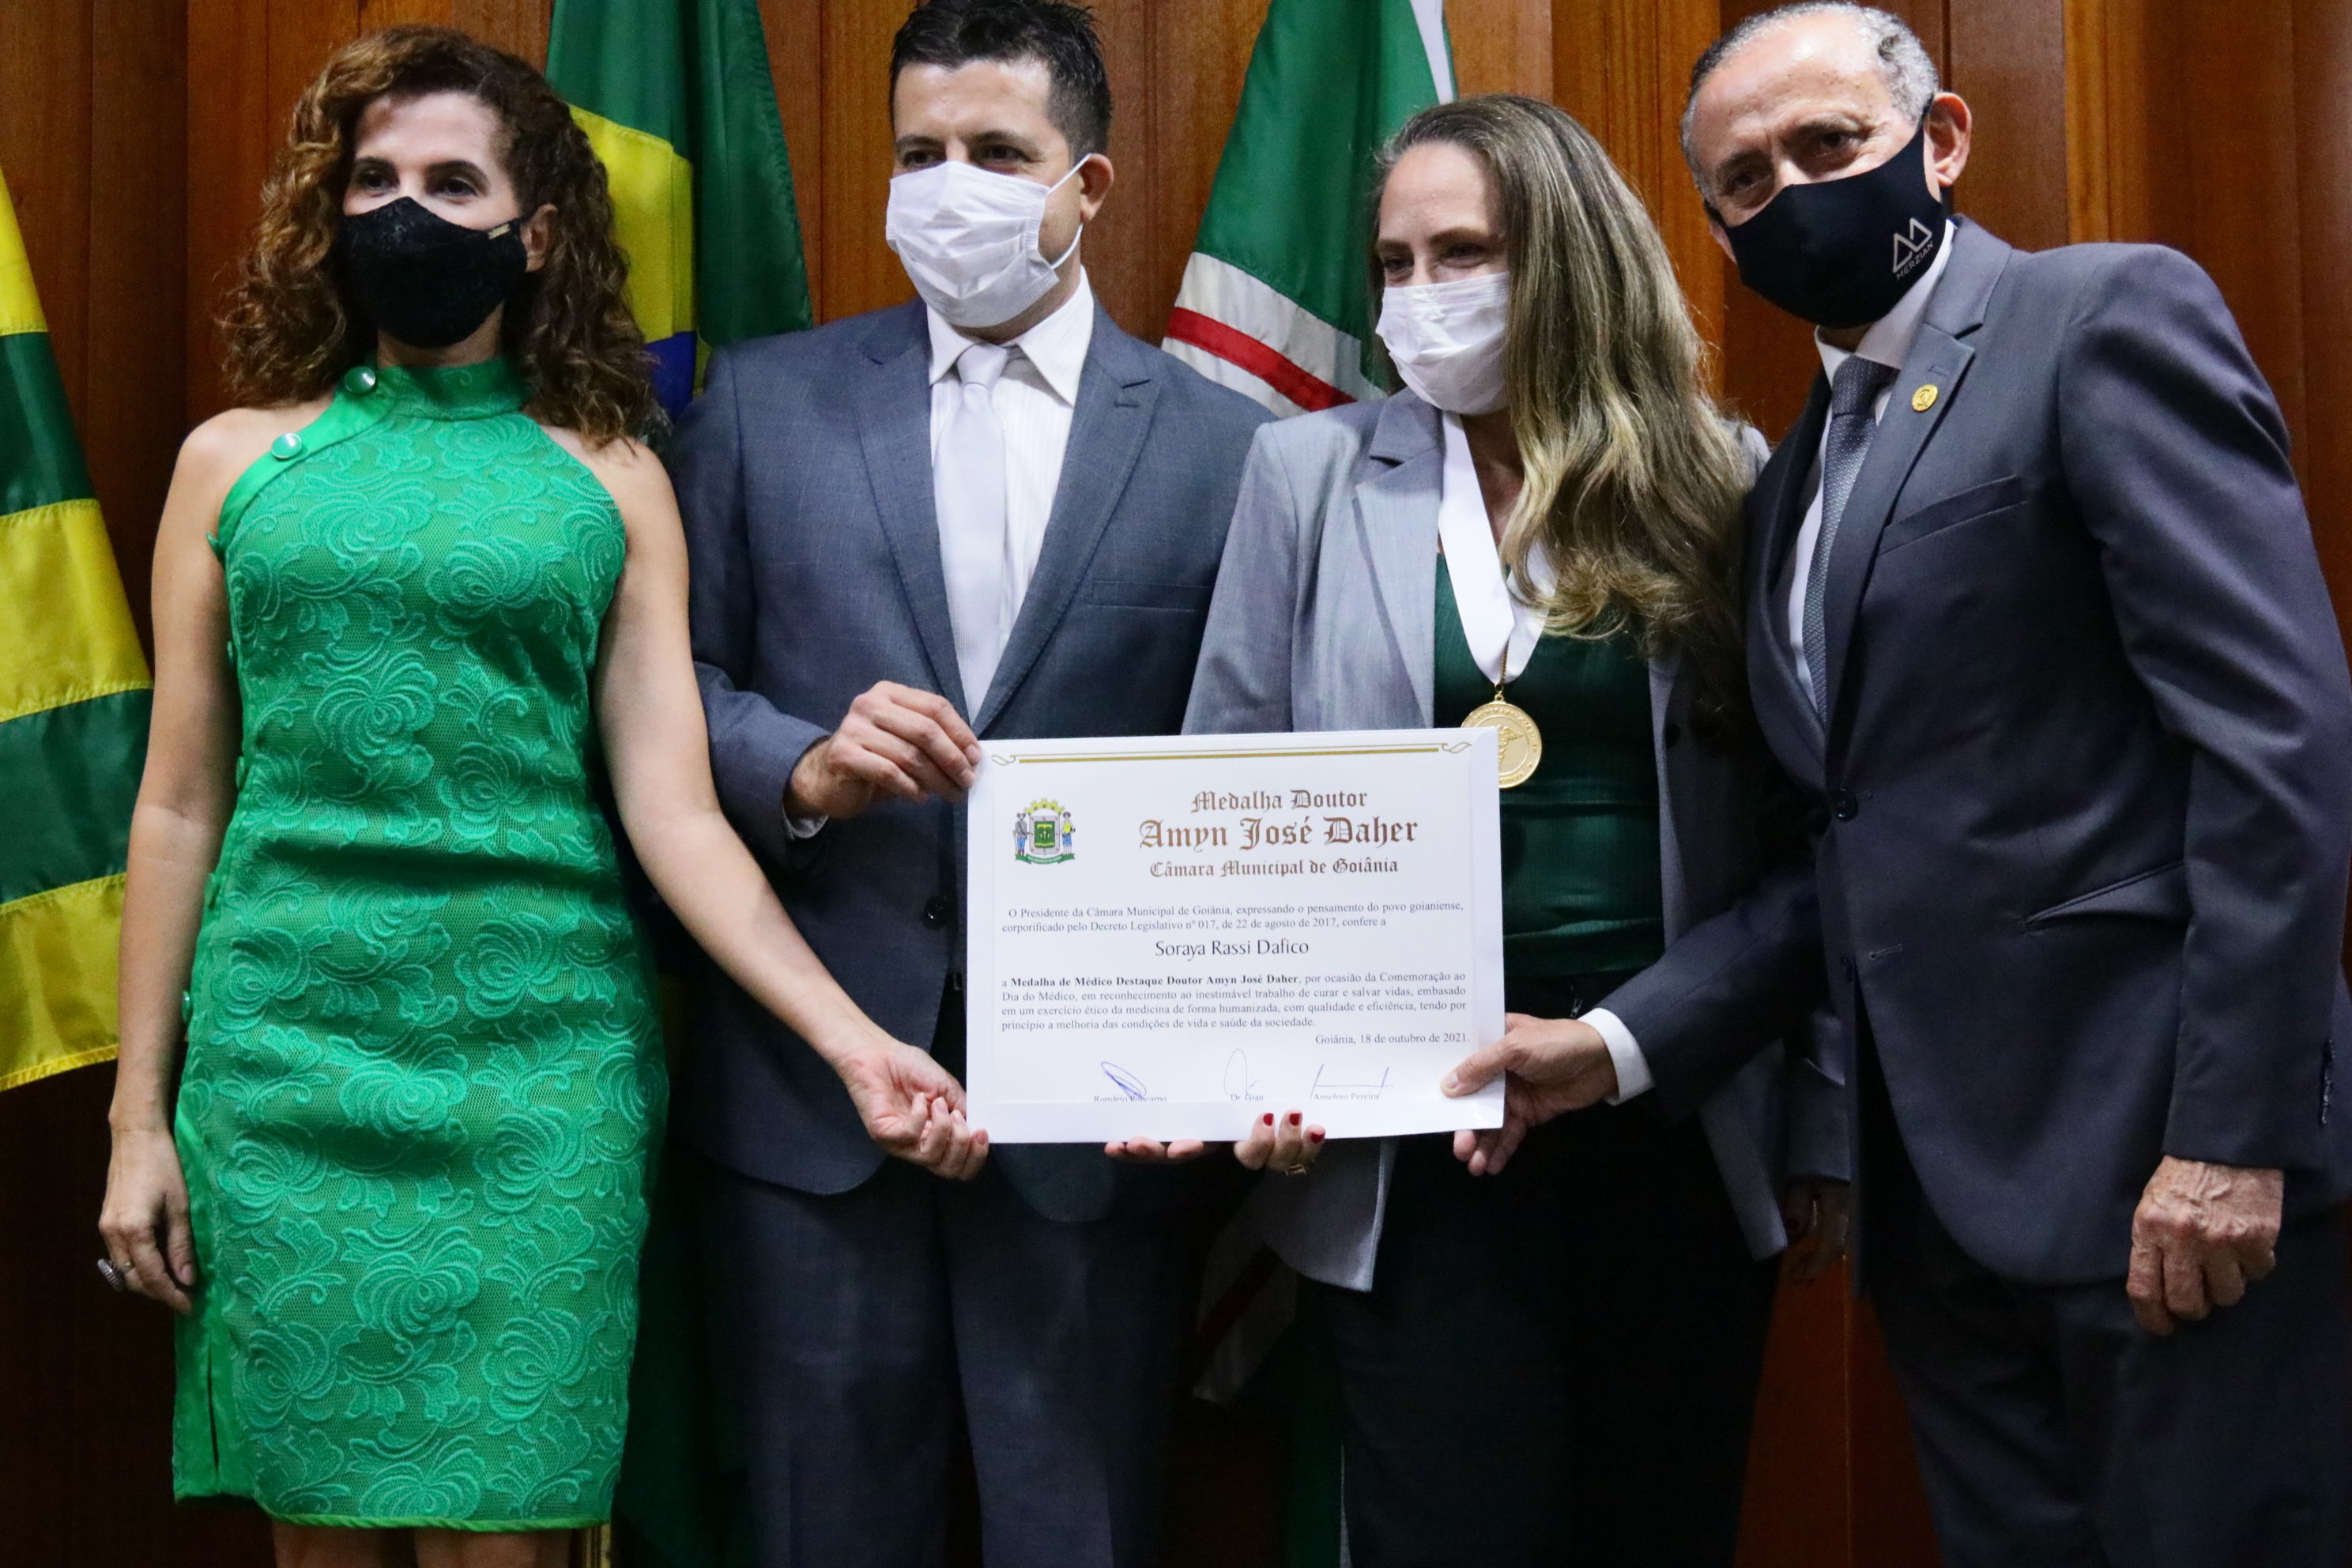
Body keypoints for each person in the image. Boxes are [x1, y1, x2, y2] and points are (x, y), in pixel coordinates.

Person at [1443, 6, 2352, 1564]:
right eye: (1745, 179)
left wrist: (2232, 1134)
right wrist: (1616, 1044)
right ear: (1715, 227)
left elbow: (2274, 741)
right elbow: (1838, 847)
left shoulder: (2099, 316)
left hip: (2163, 1169)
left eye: (1829, 144)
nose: (1791, 193)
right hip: (1935, 1211)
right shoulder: (1791, 478)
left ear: (1940, 141)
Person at [96, 27, 951, 1568]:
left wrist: (854, 1040)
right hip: (286, 1063)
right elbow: (176, 806)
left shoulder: (613, 475)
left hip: (543, 1075)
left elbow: (675, 812)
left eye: (451, 184)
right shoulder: (231, 462)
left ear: (536, 232)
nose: (404, 212)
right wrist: (135, 1119)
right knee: (321, 1533)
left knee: (513, 1536)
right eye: (373, 179)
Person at [1183, 94, 1849, 1568]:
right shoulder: (1305, 476)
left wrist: (1818, 1113)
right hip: (1411, 1125)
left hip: (1669, 1105)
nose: (1420, 294)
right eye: (1395, 262)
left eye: (1464, 253)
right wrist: (1248, 1060)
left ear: (1569, 257)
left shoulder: (1722, 477)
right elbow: (1225, 793)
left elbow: (1806, 836)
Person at [666, 3, 1282, 1563]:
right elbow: (672, 688)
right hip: (814, 1102)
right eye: (919, 153)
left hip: (1102, 1121)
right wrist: (802, 766)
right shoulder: (762, 404)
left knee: (1083, 1531)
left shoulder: (1232, 448)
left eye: (997, 154)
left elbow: (1257, 762)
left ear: (1088, 183)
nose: (950, 188)